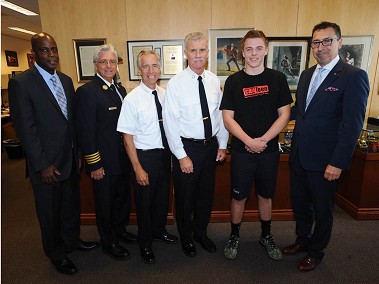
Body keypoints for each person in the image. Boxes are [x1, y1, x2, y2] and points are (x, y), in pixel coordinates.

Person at [8, 32, 99, 275]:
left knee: (70, 205)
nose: (51, 55)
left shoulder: (66, 80)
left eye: (54, 49)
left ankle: (71, 241)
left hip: (69, 159)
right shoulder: (22, 83)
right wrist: (41, 164)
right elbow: (26, 129)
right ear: (34, 54)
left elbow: (72, 122)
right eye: (45, 50)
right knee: (49, 212)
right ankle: (56, 254)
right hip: (46, 164)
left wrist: (78, 151)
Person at [283, 21, 369, 271]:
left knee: (322, 209)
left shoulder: (353, 76)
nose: (321, 47)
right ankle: (302, 240)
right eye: (316, 42)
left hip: (326, 161)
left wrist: (338, 162)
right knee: (300, 205)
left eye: (327, 41)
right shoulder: (307, 74)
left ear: (339, 42)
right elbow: (300, 112)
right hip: (299, 155)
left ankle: (316, 251)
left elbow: (352, 125)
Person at [220, 30, 292, 261]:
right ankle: (234, 236)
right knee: (239, 196)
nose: (254, 53)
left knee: (265, 195)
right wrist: (249, 141)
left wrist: (263, 141)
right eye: (249, 49)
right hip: (242, 151)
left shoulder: (278, 79)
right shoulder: (233, 81)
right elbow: (227, 118)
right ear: (242, 52)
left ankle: (266, 235)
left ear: (266, 49)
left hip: (268, 151)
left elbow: (285, 114)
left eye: (258, 48)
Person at [163, 32, 229, 257]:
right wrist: (181, 156)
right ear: (185, 54)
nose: (198, 55)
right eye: (193, 50)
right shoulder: (175, 83)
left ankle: (201, 232)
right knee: (185, 197)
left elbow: (219, 115)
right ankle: (186, 237)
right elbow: (170, 123)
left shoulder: (213, 80)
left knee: (204, 195)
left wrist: (222, 144)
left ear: (208, 53)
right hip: (187, 148)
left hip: (210, 147)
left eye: (202, 50)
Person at [75, 44, 137, 261]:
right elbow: (86, 132)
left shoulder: (119, 90)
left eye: (112, 62)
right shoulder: (87, 92)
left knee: (121, 200)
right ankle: (108, 241)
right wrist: (94, 164)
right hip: (103, 162)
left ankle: (119, 231)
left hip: (121, 159)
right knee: (105, 204)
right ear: (95, 65)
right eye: (104, 62)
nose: (109, 66)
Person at [117, 50, 179, 264]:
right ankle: (145, 243)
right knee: (144, 204)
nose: (151, 71)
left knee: (162, 199)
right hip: (144, 158)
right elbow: (127, 137)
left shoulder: (165, 94)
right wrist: (137, 168)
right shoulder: (131, 99)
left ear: (159, 68)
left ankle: (159, 231)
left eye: (154, 66)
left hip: (164, 156)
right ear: (139, 70)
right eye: (146, 66)